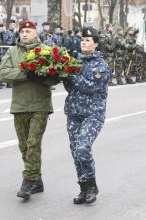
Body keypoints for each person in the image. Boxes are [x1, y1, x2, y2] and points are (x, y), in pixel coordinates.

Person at [0, 20, 59, 200]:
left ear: (36, 33)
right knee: (24, 145)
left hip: (40, 105)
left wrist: (43, 75)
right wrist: (28, 72)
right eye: (22, 31)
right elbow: (4, 73)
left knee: (33, 144)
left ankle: (28, 181)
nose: (24, 34)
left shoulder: (46, 51)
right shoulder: (12, 51)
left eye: (28, 31)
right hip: (19, 105)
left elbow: (55, 78)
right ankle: (37, 179)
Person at [63, 26, 110, 204]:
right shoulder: (76, 61)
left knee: (83, 148)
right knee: (75, 152)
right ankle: (83, 188)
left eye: (88, 40)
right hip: (74, 113)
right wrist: (65, 75)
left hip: (93, 114)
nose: (84, 42)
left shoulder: (100, 65)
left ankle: (91, 185)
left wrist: (71, 74)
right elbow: (71, 88)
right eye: (82, 40)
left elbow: (90, 87)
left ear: (96, 44)